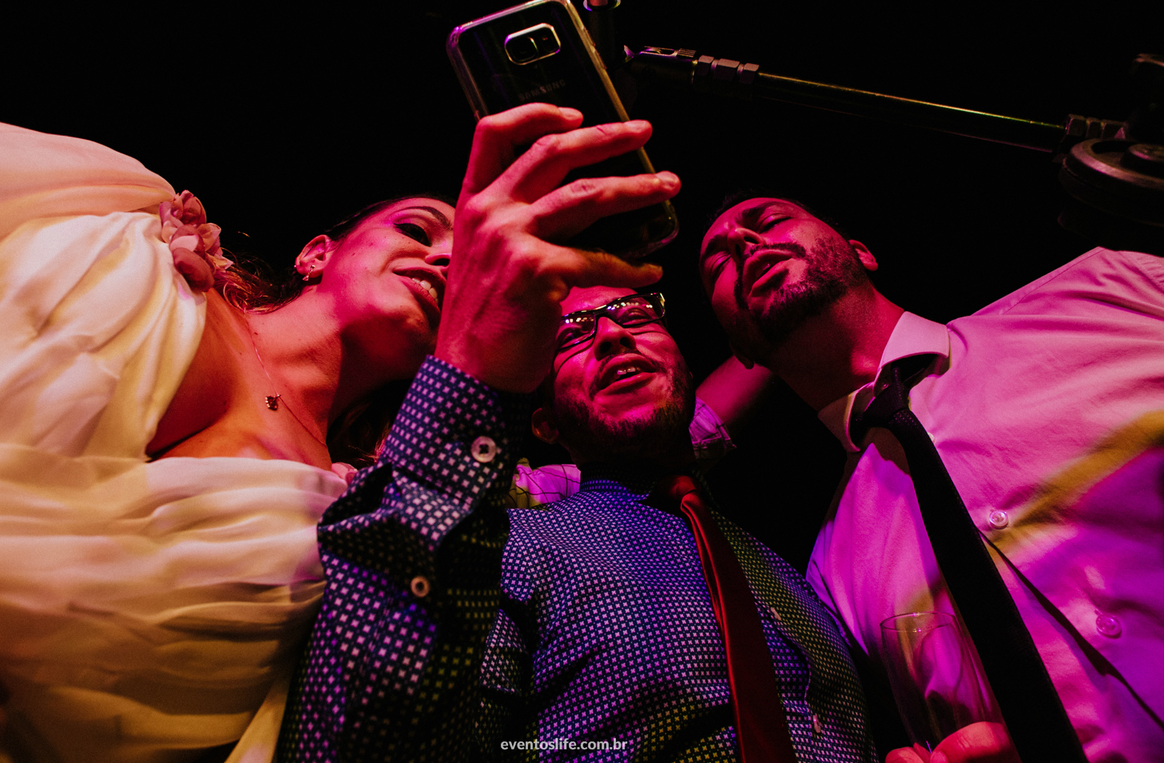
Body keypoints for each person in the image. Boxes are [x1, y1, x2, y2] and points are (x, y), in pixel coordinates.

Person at [0, 105, 678, 762]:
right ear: (315, 254)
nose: (442, 261)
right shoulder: (134, 251)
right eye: (416, 229)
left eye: (468, 268)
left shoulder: (358, 521)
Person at [280, 282, 877, 761]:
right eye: (571, 336)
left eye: (637, 316)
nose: (614, 335)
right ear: (544, 425)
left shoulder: (803, 570)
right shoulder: (508, 548)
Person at [698, 196, 1164, 763]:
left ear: (860, 252)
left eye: (770, 221)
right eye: (719, 264)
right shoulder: (830, 580)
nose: (744, 244)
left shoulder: (1110, 287)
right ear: (739, 349)